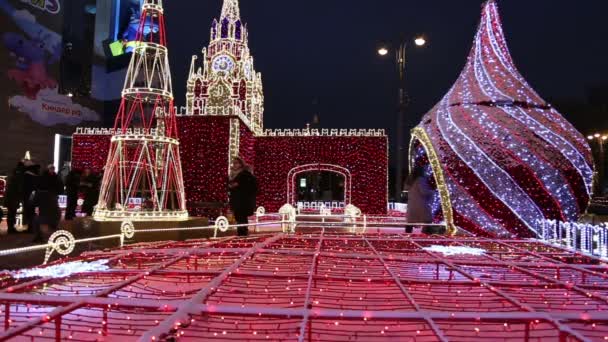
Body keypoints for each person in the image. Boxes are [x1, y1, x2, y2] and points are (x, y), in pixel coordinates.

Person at [31, 166, 62, 243]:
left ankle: (39, 236)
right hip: (52, 211)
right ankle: (46, 235)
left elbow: (33, 203)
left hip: (46, 212)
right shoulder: (54, 181)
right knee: (42, 219)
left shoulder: (40, 191)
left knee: (37, 219)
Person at [228, 157, 257, 236]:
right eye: (233, 163)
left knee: (242, 217)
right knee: (239, 217)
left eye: (236, 163)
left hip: (243, 200)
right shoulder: (233, 174)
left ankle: (243, 233)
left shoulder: (244, 174)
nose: (234, 165)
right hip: (236, 199)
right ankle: (241, 232)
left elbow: (250, 185)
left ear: (241, 164)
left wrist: (237, 185)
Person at [405, 166, 433, 233]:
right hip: (420, 203)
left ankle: (407, 237)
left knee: (410, 222)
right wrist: (433, 191)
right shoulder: (420, 180)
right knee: (427, 220)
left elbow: (406, 189)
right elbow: (424, 191)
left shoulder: (410, 180)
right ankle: (426, 235)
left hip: (412, 203)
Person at [4, 161, 25, 233]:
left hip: (10, 197)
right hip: (13, 197)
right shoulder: (17, 175)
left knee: (11, 213)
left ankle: (10, 228)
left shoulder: (13, 174)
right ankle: (10, 228)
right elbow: (18, 187)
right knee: (12, 213)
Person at [22, 161, 40, 231]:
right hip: (33, 196)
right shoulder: (35, 175)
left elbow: (25, 187)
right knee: (32, 212)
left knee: (29, 212)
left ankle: (30, 227)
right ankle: (32, 227)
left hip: (28, 196)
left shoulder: (27, 176)